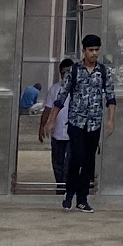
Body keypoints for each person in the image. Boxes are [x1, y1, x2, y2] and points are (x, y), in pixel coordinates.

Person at [54, 34, 115, 211]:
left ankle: (82, 199)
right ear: (84, 51)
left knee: (89, 161)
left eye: (96, 50)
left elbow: (111, 97)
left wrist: (111, 120)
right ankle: (69, 193)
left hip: (94, 123)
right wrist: (51, 120)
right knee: (77, 157)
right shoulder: (74, 71)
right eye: (90, 50)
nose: (94, 53)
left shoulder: (103, 72)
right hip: (76, 122)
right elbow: (61, 96)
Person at [37, 57, 74, 194]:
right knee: (57, 163)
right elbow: (47, 109)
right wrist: (42, 126)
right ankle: (60, 187)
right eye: (64, 73)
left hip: (73, 134)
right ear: (60, 73)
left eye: (69, 72)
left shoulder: (79, 89)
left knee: (69, 164)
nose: (66, 75)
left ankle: (67, 188)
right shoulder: (55, 89)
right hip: (57, 133)